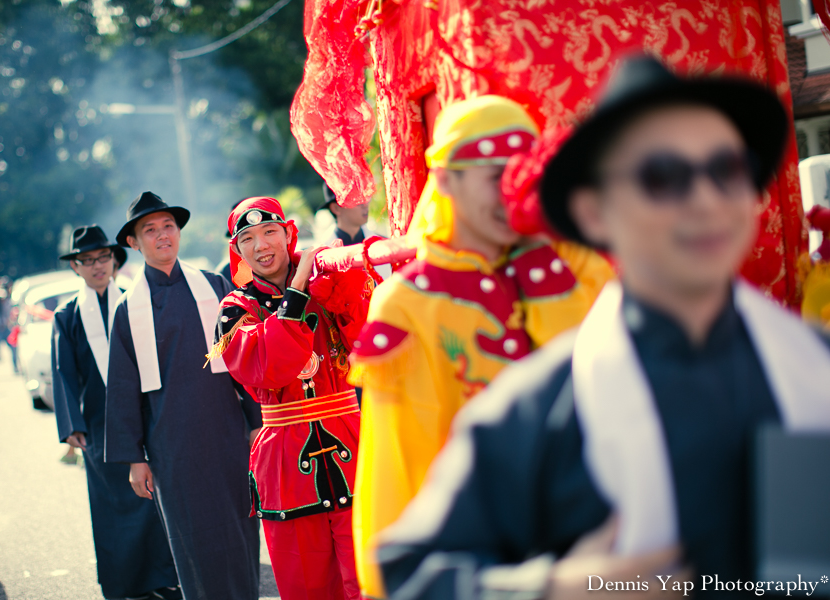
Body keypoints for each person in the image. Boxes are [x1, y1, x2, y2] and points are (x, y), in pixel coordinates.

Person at [375, 56, 830, 599]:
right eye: (663, 177)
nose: (706, 200)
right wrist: (551, 589)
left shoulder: (815, 364)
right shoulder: (537, 406)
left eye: (726, 170)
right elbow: (408, 573)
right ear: (593, 212)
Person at [348, 94, 614, 599]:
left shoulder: (578, 267)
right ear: (446, 179)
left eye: (523, 175)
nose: (512, 194)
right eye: (495, 176)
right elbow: (397, 465)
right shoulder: (407, 302)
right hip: (481, 565)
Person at [210, 196, 370, 600]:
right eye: (247, 238)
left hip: (353, 439)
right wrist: (297, 291)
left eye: (269, 232)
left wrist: (341, 277)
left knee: (371, 574)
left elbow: (368, 335)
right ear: (237, 250)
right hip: (285, 463)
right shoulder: (233, 310)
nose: (261, 245)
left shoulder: (327, 280)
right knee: (307, 583)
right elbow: (267, 370)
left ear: (288, 233)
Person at [104, 192, 261, 600]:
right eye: (150, 230)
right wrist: (136, 458)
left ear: (179, 232)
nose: (162, 236)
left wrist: (256, 423)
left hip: (227, 432)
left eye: (168, 226)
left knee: (240, 532)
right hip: (171, 445)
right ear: (134, 243)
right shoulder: (128, 309)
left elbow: (244, 361)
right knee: (192, 541)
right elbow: (122, 389)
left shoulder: (214, 286)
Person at [52, 225, 180, 600]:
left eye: (102, 258)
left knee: (150, 499)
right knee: (110, 506)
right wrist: (71, 425)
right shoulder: (67, 314)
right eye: (86, 261)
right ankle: (124, 583)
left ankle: (163, 577)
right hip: (96, 425)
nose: (96, 266)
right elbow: (63, 372)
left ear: (114, 259)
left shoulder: (134, 300)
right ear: (76, 267)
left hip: (142, 417)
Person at [318, 182, 392, 280]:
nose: (365, 205)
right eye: (357, 200)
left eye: (365, 198)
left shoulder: (384, 244)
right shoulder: (320, 255)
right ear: (336, 208)